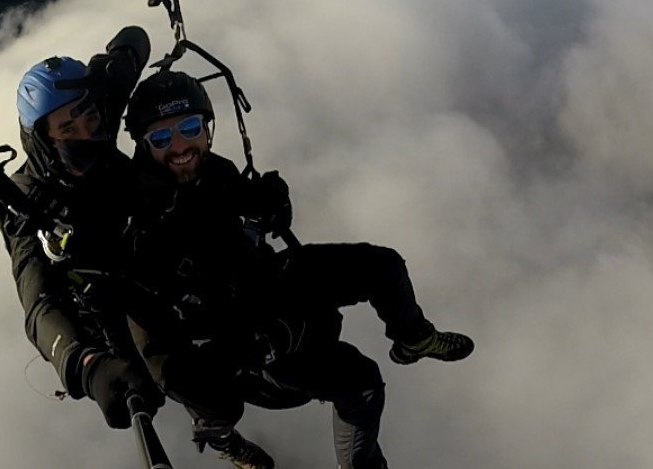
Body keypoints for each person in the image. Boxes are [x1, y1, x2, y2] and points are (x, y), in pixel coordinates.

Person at [121, 69, 475, 469]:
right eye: (162, 138)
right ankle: (230, 440)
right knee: (361, 384)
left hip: (265, 280)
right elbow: (161, 348)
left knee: (383, 267)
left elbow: (242, 204)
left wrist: (271, 202)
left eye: (189, 127)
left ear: (208, 128)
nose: (181, 146)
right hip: (238, 338)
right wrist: (222, 392)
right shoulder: (139, 225)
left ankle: (414, 339)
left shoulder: (212, 171)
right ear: (143, 146)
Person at [0, 26, 167, 432]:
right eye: (68, 130)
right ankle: (219, 433)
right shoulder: (26, 200)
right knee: (145, 378)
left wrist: (119, 57)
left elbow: (134, 42)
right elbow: (39, 302)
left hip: (142, 241)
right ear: (43, 141)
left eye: (89, 119)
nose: (86, 133)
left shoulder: (97, 105)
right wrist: (84, 364)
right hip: (101, 290)